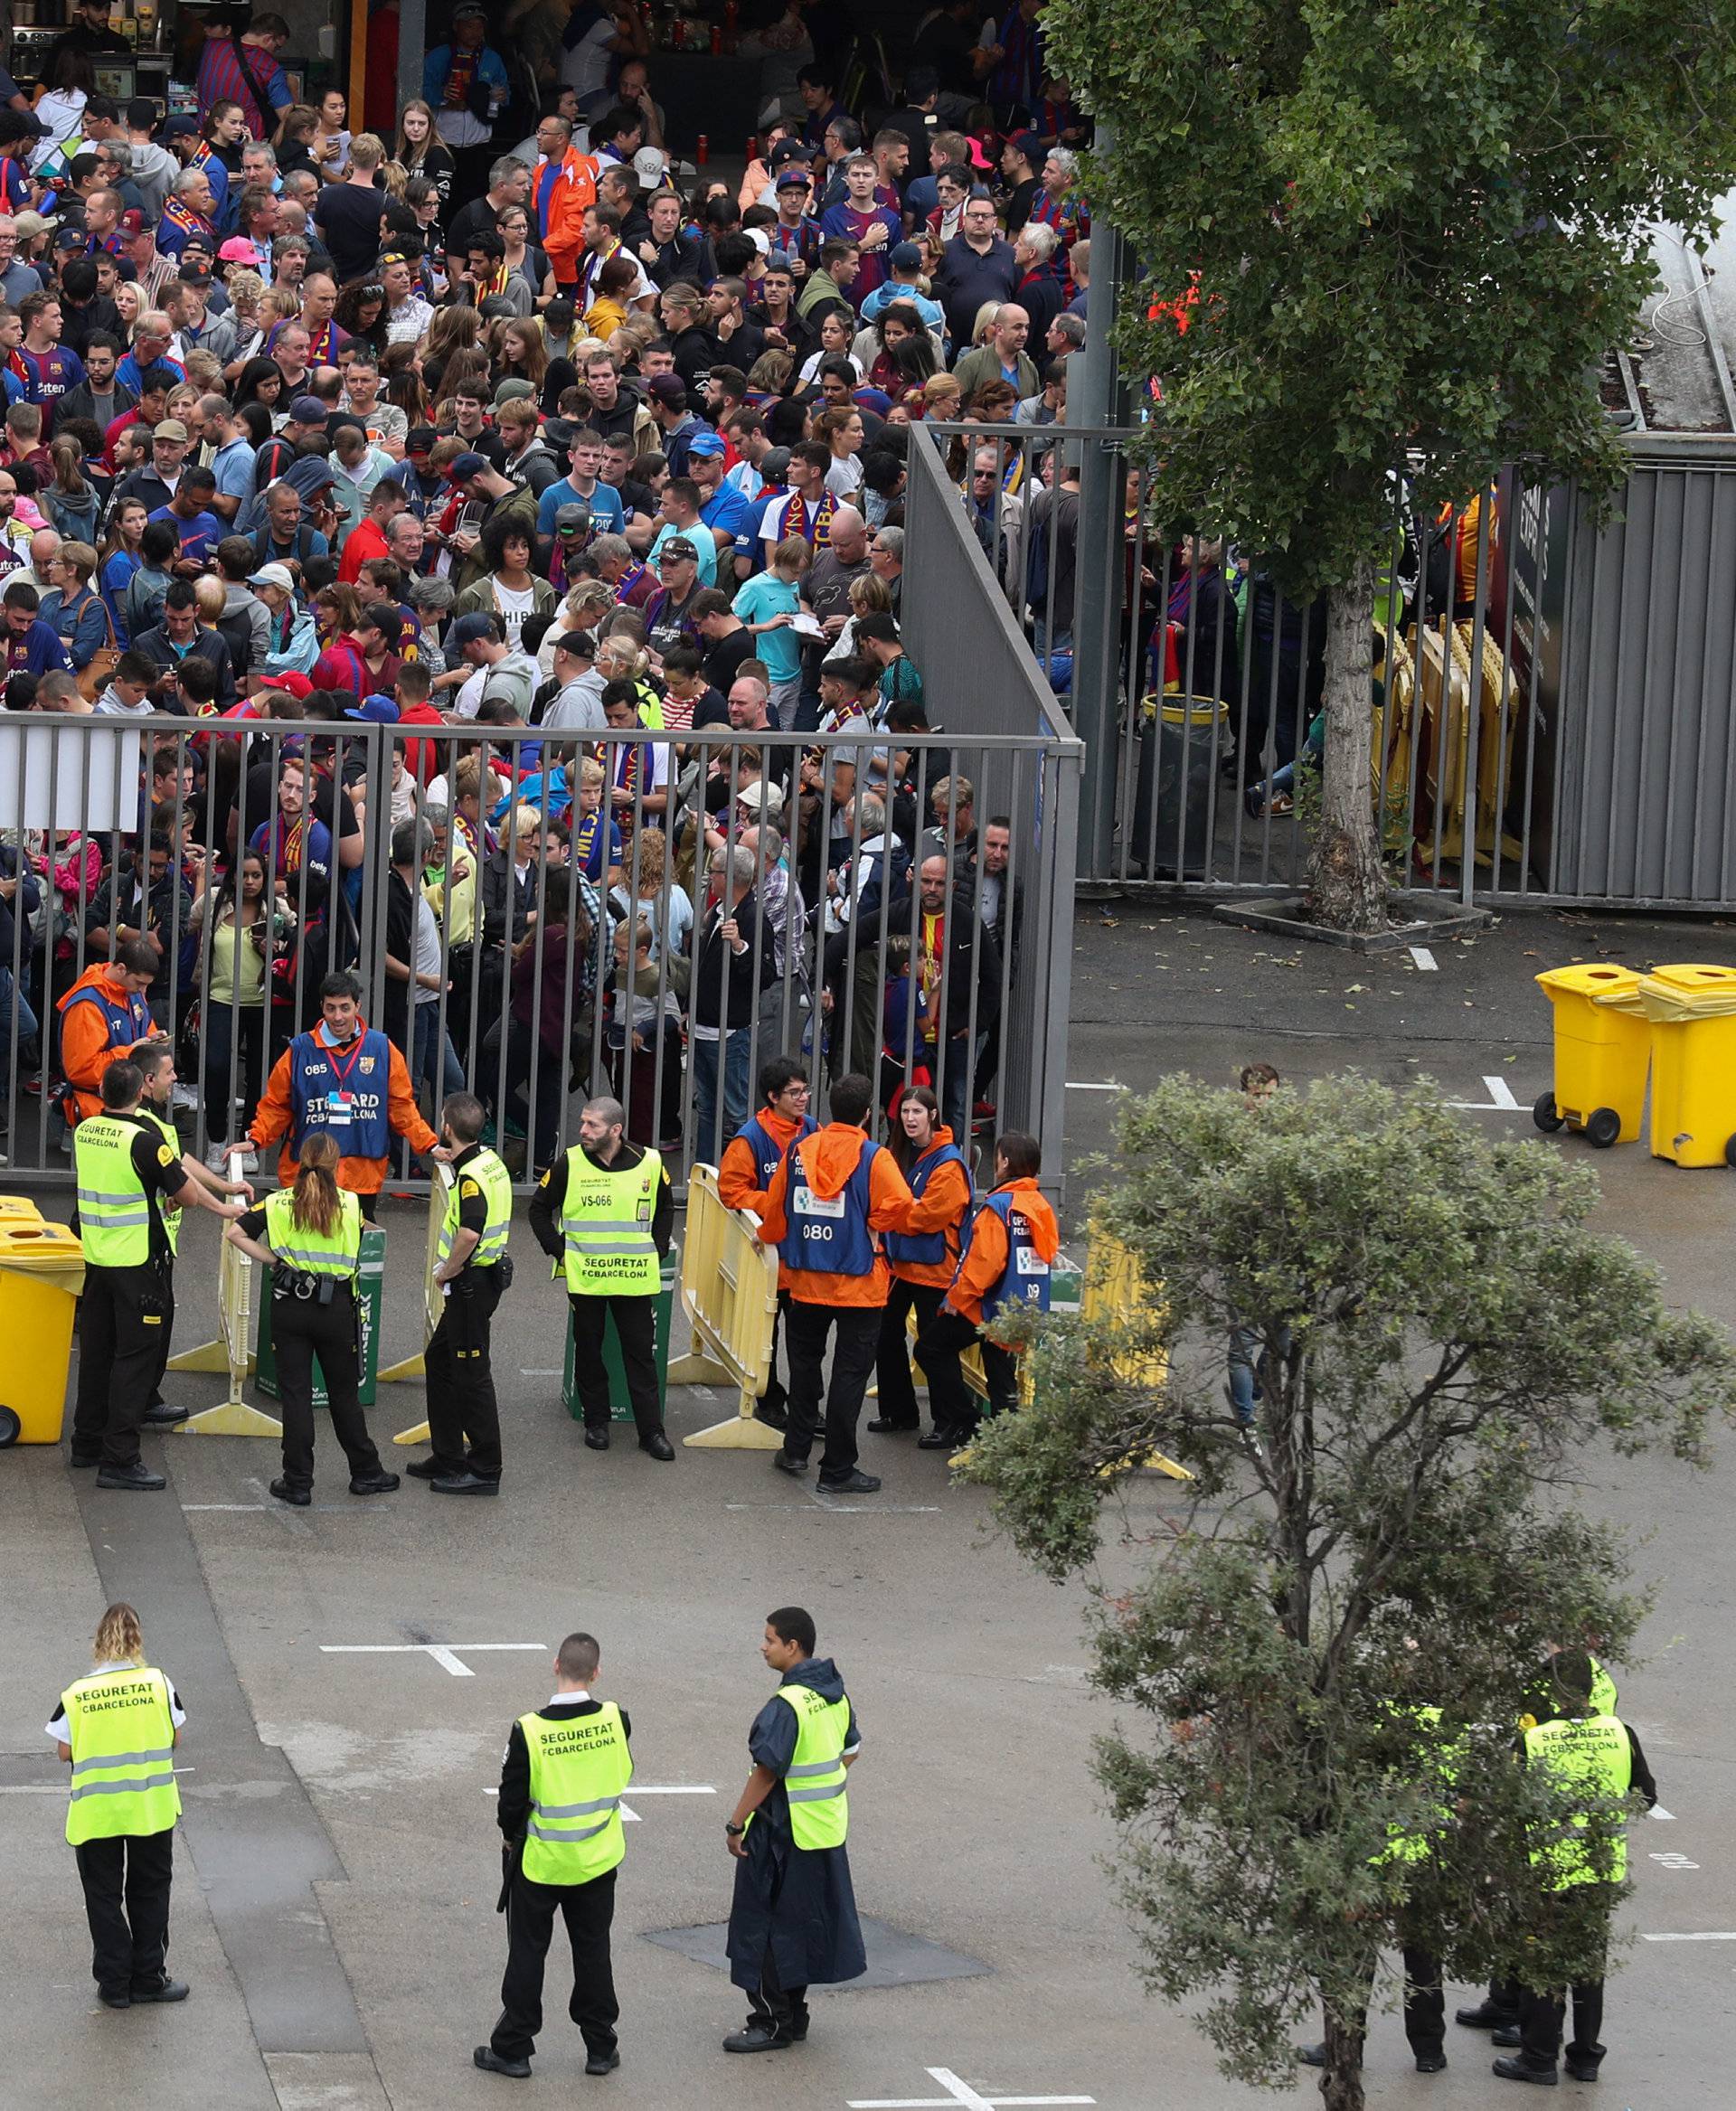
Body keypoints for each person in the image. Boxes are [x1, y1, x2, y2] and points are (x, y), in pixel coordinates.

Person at [69, 1056, 241, 1490]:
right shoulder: (145, 1142)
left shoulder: (86, 1130)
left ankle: (86, 1444)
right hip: (138, 1265)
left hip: (98, 1259)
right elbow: (183, 1194)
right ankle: (120, 1459)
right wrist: (217, 1202)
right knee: (134, 1359)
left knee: (96, 1354)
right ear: (140, 1092)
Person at [1493, 1648, 1656, 2087]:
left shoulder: (1535, 1738)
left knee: (1543, 1966)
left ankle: (1539, 2059)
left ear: (1554, 1691)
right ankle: (1585, 2059)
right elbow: (1646, 1796)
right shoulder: (1621, 1732)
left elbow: (1506, 1800)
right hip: (1601, 1870)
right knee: (1589, 1968)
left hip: (1547, 1871)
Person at [476, 1629, 631, 2081]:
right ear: (597, 1673)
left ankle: (514, 2048)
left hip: (541, 1863)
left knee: (527, 1953)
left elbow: (510, 1801)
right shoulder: (616, 1719)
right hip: (597, 1860)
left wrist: (510, 1836)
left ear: (555, 1666)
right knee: (593, 1952)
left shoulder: (530, 1729)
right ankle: (600, 2047)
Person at [754, 1071, 915, 1494]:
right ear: (867, 1114)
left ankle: (795, 1450)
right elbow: (900, 1205)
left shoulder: (801, 1150)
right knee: (849, 1377)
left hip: (806, 1281)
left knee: (805, 1369)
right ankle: (838, 1468)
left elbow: (776, 1210)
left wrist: (767, 1238)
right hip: (860, 1286)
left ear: (830, 1107)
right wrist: (870, 1223)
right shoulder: (874, 1157)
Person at [223, 1131, 401, 1506]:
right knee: (343, 1396)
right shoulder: (352, 1206)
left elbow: (236, 1233)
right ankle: (366, 1472)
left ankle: (298, 1481)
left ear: (299, 1161)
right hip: (335, 1308)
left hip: (290, 1304)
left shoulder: (278, 1203)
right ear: (338, 1166)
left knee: (296, 1396)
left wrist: (274, 1261)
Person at [722, 1605, 865, 2053]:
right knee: (800, 1925)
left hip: (781, 1832)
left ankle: (769, 2021)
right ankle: (795, 2015)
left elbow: (766, 1771)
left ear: (793, 1645)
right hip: (822, 1829)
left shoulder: (786, 1706)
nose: (762, 1647)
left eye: (769, 1640)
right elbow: (851, 1752)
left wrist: (736, 1821)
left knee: (763, 1925)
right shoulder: (834, 1695)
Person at [48, 1600, 189, 2010]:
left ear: (99, 1641)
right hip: (150, 1807)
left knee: (103, 1896)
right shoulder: (159, 1683)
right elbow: (177, 1737)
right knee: (149, 1890)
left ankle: (114, 1984)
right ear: (137, 1639)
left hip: (97, 1813)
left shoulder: (78, 1694)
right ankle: (148, 1979)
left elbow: (63, 1751)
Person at [528, 1095, 676, 1461]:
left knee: (641, 1355)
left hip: (633, 1278)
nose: (583, 1130)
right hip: (588, 1278)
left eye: (591, 1124)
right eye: (582, 1122)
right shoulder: (571, 1162)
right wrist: (560, 1250)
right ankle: (596, 1422)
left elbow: (666, 1206)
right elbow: (538, 1209)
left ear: (616, 1130)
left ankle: (651, 1432)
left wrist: (657, 1248)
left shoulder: (650, 1162)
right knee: (589, 1350)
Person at [248, 968, 440, 1218]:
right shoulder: (299, 1051)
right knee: (305, 1249)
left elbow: (402, 1107)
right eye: (331, 1008)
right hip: (310, 1174)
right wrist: (254, 1139)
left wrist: (431, 1144)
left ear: (357, 1006)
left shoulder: (381, 1048)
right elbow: (275, 1107)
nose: (338, 1017)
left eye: (344, 1007)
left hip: (362, 1175)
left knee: (357, 1251)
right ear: (322, 1008)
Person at [912, 1129, 1058, 1448]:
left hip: (987, 1304)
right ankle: (1008, 1442)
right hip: (1022, 1305)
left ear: (1005, 1162)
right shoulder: (1040, 1206)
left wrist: (956, 1299)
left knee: (930, 1349)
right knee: (1001, 1374)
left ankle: (966, 1423)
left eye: (999, 1157)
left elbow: (983, 1263)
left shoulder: (999, 1206)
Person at [409, 1092, 513, 1496]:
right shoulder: (488, 1162)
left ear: (447, 1128)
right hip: (481, 1282)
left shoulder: (471, 1178)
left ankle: (486, 1467)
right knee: (439, 1360)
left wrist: (445, 1272)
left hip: (471, 1284)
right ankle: (448, 1453)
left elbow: (470, 1231)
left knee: (472, 1377)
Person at [716, 1056, 816, 1430]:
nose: (803, 1097)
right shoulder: (750, 1139)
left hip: (805, 1256)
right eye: (794, 1092)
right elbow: (731, 1191)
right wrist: (777, 1205)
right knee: (766, 1339)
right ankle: (768, 1399)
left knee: (807, 1343)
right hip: (768, 1256)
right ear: (773, 1097)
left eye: (805, 1090)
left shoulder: (813, 1131)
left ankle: (807, 1406)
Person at [870, 1086, 972, 1436]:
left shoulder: (949, 1162)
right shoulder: (895, 1153)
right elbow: (884, 1200)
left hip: (936, 1269)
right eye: (905, 1112)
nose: (910, 1118)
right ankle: (898, 1412)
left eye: (917, 1112)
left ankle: (951, 1422)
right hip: (899, 1265)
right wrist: (900, 1210)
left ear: (932, 1115)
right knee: (885, 1335)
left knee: (933, 1349)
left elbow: (929, 1216)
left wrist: (893, 1214)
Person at [54, 933, 156, 1126]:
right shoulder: (87, 1005)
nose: (143, 991)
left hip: (127, 1105)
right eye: (140, 983)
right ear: (121, 969)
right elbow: (81, 1071)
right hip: (96, 1113)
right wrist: (131, 1053)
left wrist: (154, 1043)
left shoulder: (129, 990)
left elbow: (146, 1028)